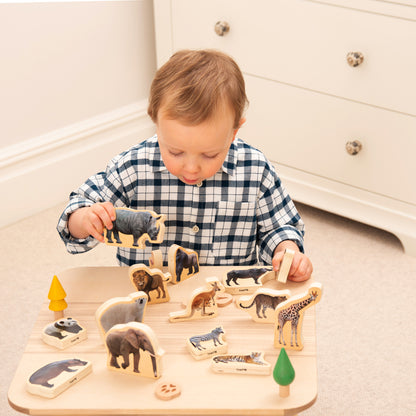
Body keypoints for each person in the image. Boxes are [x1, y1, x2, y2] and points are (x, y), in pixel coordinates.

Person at [57, 49, 312, 282]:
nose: (191, 168)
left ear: (234, 132)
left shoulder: (255, 170)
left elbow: (280, 227)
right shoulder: (132, 168)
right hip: (148, 294)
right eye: (175, 152)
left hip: (225, 299)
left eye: (209, 154)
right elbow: (75, 213)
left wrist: (287, 252)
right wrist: (86, 219)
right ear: (156, 123)